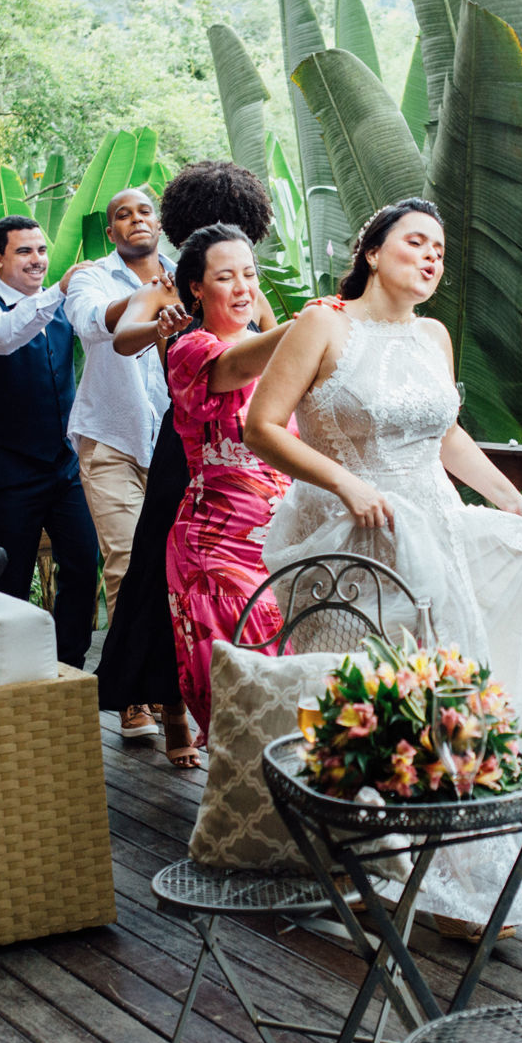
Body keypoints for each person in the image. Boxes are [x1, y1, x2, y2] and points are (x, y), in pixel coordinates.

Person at [246, 198, 522, 939]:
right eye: (415, 242)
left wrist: (514, 501)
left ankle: (451, 876)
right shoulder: (324, 325)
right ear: (374, 251)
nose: (430, 258)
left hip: (435, 529)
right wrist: (345, 483)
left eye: (440, 250)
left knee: (446, 691)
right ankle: (367, 872)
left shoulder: (433, 335)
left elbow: (447, 435)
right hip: (354, 538)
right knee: (371, 698)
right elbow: (261, 426)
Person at [96, 160, 277, 767]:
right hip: (187, 442)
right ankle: (169, 705)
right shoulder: (170, 283)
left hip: (246, 444)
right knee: (157, 575)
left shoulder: (249, 286)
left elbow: (275, 349)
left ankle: (208, 703)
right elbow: (123, 338)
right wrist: (161, 329)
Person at [164, 224, 296, 744]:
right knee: (243, 689)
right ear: (196, 287)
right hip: (217, 545)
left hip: (287, 537)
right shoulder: (189, 349)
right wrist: (316, 322)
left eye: (250, 274)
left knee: (292, 680)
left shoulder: (282, 352)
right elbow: (237, 366)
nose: (243, 287)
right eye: (226, 277)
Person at [0, 215, 101, 667]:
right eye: (24, 251)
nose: (37, 260)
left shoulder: (62, 308)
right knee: (11, 577)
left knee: (82, 562)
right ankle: (11, 672)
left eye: (41, 250)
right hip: (9, 471)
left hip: (64, 466)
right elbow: (4, 336)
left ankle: (69, 664)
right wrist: (57, 292)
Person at [62, 188, 173, 616]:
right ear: (111, 232)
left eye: (145, 211)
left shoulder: (188, 275)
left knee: (176, 563)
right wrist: (153, 295)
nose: (137, 219)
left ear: (159, 225)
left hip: (173, 442)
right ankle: (129, 677)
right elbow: (91, 322)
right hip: (110, 439)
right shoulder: (92, 277)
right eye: (124, 216)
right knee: (126, 564)